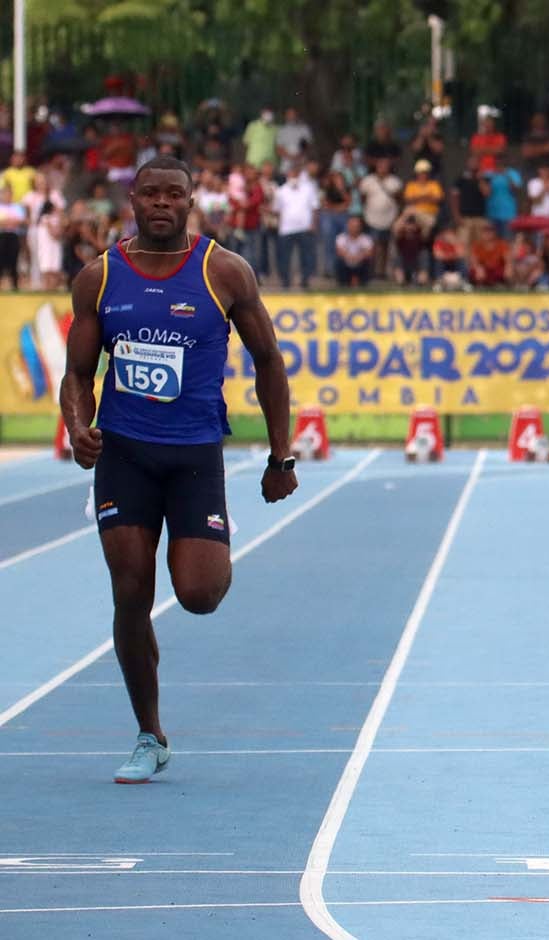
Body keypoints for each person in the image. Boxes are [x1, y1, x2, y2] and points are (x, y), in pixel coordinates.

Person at [58, 156, 299, 784]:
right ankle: (149, 732)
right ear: (131, 200)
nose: (161, 203)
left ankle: (199, 544)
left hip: (194, 456)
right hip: (124, 455)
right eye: (150, 193)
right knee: (130, 591)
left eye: (174, 194)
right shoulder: (99, 278)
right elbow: (78, 374)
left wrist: (282, 456)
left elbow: (269, 363)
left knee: (199, 594)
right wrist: (77, 425)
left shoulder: (223, 271)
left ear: (191, 202)